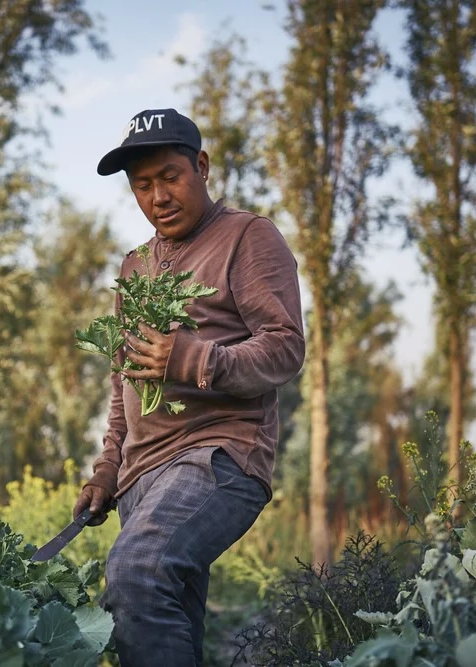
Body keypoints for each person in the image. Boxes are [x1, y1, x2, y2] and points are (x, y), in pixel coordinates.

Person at [73, 108, 305, 667]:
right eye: (143, 185)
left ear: (201, 166)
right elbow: (123, 380)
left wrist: (195, 359)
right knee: (167, 618)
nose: (158, 196)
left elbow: (285, 348)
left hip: (218, 454)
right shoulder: (133, 269)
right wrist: (109, 467)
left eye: (170, 176)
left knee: (136, 572)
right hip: (140, 478)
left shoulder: (247, 237)